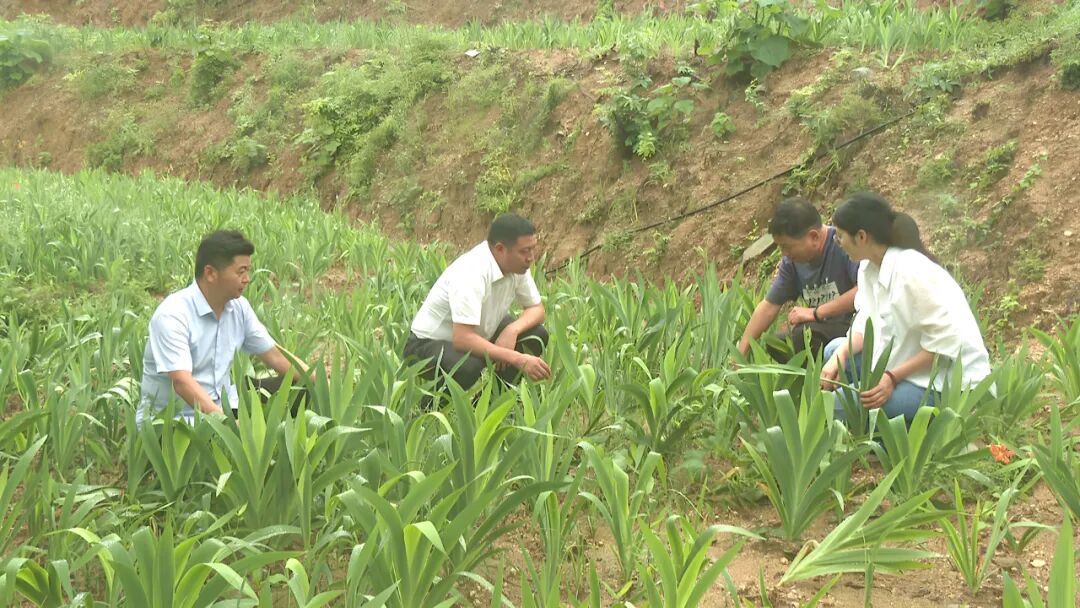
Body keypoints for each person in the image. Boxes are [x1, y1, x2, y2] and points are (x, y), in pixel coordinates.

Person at [821, 192, 991, 424]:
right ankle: (885, 417)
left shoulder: (911, 271)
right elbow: (866, 324)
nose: (838, 243)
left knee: (839, 407)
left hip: (945, 379)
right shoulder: (868, 268)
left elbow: (945, 345)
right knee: (834, 351)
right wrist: (840, 357)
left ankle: (921, 423)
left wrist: (891, 377)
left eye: (840, 236)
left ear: (861, 237)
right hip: (905, 362)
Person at [138, 230, 310, 425]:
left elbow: (275, 356)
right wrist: (228, 425)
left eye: (248, 271)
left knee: (302, 388)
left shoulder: (239, 308)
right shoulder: (173, 315)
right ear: (210, 273)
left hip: (225, 403)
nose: (247, 279)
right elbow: (182, 382)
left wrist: (321, 383)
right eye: (241, 271)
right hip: (179, 421)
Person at [403, 214, 551, 395]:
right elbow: (462, 338)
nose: (530, 258)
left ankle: (494, 400)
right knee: (468, 366)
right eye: (524, 251)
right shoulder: (472, 271)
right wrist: (517, 358)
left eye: (533, 249)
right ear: (500, 249)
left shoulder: (517, 266)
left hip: (478, 333)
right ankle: (428, 407)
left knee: (536, 335)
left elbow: (537, 309)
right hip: (427, 344)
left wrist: (511, 331)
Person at [737, 197, 859, 361]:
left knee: (804, 335)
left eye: (787, 246)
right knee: (778, 343)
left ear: (813, 237)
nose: (784, 253)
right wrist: (740, 354)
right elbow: (769, 306)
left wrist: (816, 313)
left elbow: (864, 291)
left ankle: (826, 377)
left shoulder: (843, 245)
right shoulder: (792, 262)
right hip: (821, 327)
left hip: (854, 328)